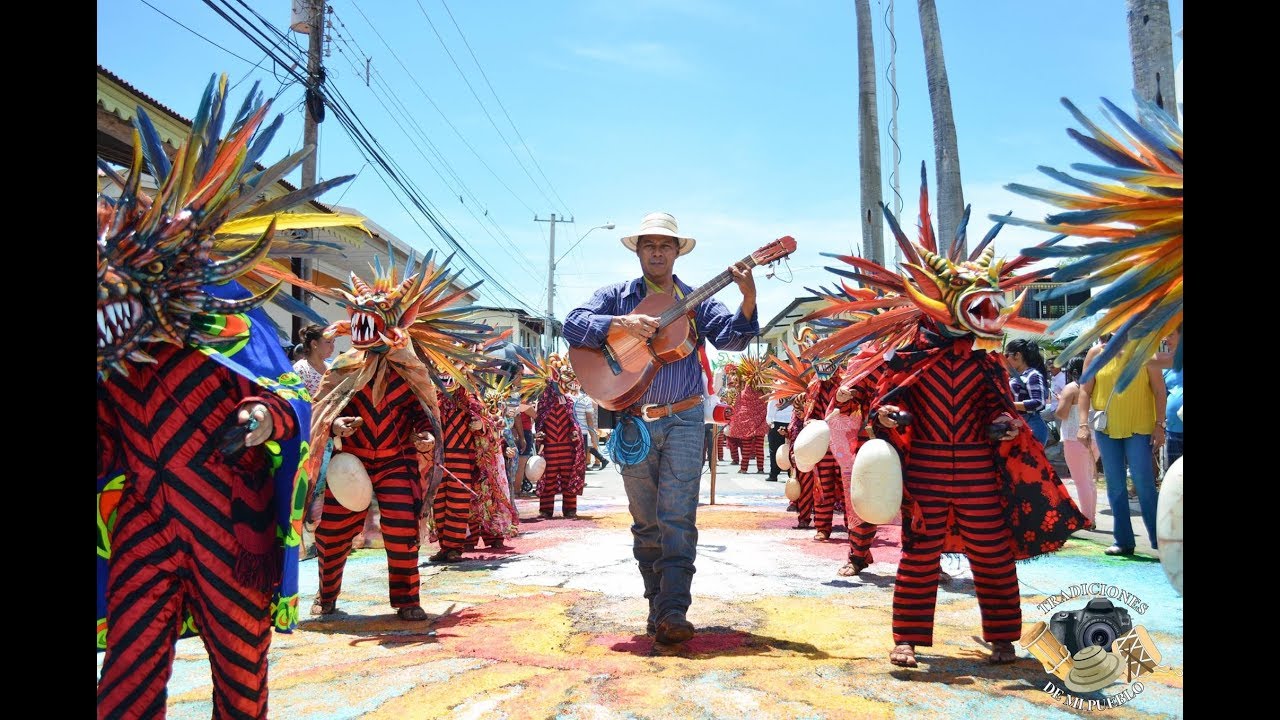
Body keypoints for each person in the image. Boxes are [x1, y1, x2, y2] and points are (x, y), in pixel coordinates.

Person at [564, 211, 759, 646]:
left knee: (678, 516)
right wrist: (619, 324)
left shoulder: (698, 301)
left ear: (676, 252)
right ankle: (656, 604)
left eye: (665, 245)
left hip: (687, 419)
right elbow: (572, 324)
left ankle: (674, 610)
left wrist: (747, 298)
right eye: (649, 244)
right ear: (638, 250)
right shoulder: (616, 296)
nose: (657, 251)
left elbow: (732, 338)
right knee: (645, 520)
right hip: (634, 420)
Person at [1080, 340, 1166, 556]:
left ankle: (1161, 542)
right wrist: (1082, 424)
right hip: (1106, 429)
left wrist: (1160, 425)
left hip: (1140, 426)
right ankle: (1123, 541)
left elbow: (1159, 390)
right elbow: (1084, 390)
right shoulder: (1096, 353)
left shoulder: (1146, 350)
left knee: (1144, 483)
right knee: (1115, 485)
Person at [1054, 356, 1097, 526]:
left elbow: (1061, 414)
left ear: (1073, 372)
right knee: (1089, 479)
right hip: (1094, 437)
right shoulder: (1096, 386)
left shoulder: (1071, 388)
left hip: (1074, 438)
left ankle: (1087, 519)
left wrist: (1061, 401)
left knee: (1081, 481)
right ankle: (1091, 518)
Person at [1004, 339, 1051, 446]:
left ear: (1017, 355)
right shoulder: (1018, 376)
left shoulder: (1033, 375)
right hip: (1019, 424)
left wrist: (1009, 405)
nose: (1005, 359)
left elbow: (1038, 403)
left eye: (1007, 355)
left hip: (1031, 426)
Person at [570, 380, 609, 471]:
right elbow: (589, 418)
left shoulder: (584, 399)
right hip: (576, 432)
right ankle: (600, 460)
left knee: (578, 454)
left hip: (579, 432)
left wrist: (592, 433)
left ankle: (597, 461)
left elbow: (589, 418)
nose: (575, 385)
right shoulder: (568, 397)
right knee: (580, 453)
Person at [765, 396, 794, 482]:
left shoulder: (776, 394)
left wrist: (770, 423)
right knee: (791, 449)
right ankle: (791, 473)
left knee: (774, 450)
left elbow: (770, 411)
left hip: (778, 422)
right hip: (791, 422)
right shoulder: (795, 391)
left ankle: (774, 474)